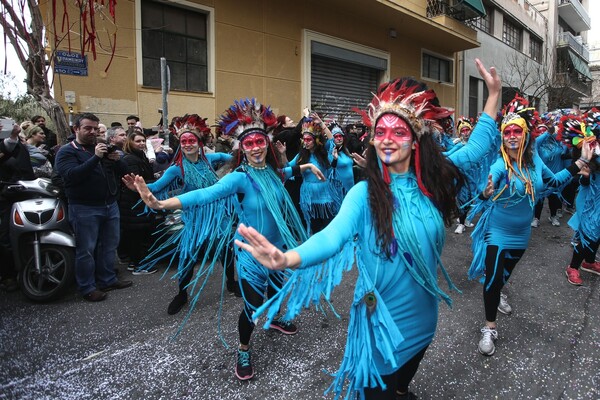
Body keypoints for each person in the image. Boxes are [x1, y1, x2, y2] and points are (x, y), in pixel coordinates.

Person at [234, 59, 501, 400]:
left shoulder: (434, 181)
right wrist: (288, 258)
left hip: (424, 320)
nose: (387, 140)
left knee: (403, 382)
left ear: (416, 139)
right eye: (381, 132)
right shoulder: (364, 193)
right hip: (380, 324)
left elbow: (478, 147)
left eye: (399, 131)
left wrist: (492, 96)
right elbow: (332, 235)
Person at [132, 98, 324, 381]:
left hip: (276, 250)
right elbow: (204, 195)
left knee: (276, 292)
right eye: (249, 144)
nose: (256, 147)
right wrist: (161, 204)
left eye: (260, 141)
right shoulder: (239, 177)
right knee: (252, 304)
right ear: (241, 149)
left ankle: (273, 320)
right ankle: (244, 348)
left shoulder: (271, 171)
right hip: (249, 254)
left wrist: (306, 168)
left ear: (266, 144)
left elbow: (285, 172)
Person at [468, 97, 591, 357]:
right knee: (491, 278)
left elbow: (555, 181)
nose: (512, 136)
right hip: (497, 231)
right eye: (507, 132)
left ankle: (498, 291)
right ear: (502, 138)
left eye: (517, 131)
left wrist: (579, 163)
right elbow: (488, 183)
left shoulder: (534, 162)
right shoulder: (501, 163)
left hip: (522, 234)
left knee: (503, 275)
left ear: (525, 135)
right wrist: (486, 192)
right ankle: (490, 327)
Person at [123, 114, 240, 315]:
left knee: (226, 250)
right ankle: (182, 294)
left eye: (191, 141)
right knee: (187, 256)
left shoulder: (210, 159)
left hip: (219, 216)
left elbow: (229, 158)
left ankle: (231, 282)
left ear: (199, 142)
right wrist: (139, 188)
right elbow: (156, 187)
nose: (187, 145)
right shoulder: (176, 169)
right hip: (194, 219)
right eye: (184, 141)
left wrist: (239, 157)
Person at [55, 113, 133, 302]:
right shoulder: (67, 151)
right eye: (87, 128)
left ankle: (107, 279)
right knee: (86, 250)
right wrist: (96, 158)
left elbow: (124, 173)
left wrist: (116, 160)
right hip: (84, 208)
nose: (92, 132)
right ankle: (87, 287)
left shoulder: (101, 149)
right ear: (76, 129)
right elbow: (71, 176)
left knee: (109, 246)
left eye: (95, 128)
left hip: (109, 205)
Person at [561, 112, 600, 285]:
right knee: (588, 233)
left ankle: (589, 262)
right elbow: (585, 177)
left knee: (597, 234)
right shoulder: (592, 145)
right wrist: (585, 175)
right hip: (590, 199)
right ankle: (573, 266)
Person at [284, 112, 339, 234]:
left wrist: (321, 123)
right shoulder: (301, 155)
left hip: (326, 197)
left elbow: (332, 141)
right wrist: (283, 154)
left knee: (328, 229)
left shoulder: (324, 153)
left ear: (316, 140)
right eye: (304, 140)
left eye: (308, 139)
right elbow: (288, 168)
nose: (305, 142)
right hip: (309, 199)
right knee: (313, 230)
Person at [0, 121, 34, 291]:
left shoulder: (20, 145)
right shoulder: (7, 144)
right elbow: (8, 146)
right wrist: (10, 135)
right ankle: (8, 275)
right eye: (6, 124)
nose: (12, 125)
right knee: (6, 237)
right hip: (6, 198)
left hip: (25, 193)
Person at [119, 132, 158, 275]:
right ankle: (139, 265)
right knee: (137, 235)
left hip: (138, 201)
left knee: (138, 235)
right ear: (130, 142)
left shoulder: (140, 157)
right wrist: (158, 183)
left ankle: (135, 262)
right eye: (138, 141)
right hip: (133, 202)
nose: (141, 143)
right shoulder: (131, 159)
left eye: (143, 140)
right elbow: (136, 182)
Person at [531, 120, 568, 228]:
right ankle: (536, 218)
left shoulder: (559, 144)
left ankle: (553, 216)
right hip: (542, 176)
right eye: (541, 132)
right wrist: (548, 133)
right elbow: (536, 141)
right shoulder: (538, 147)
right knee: (540, 198)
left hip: (556, 175)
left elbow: (566, 151)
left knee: (554, 198)